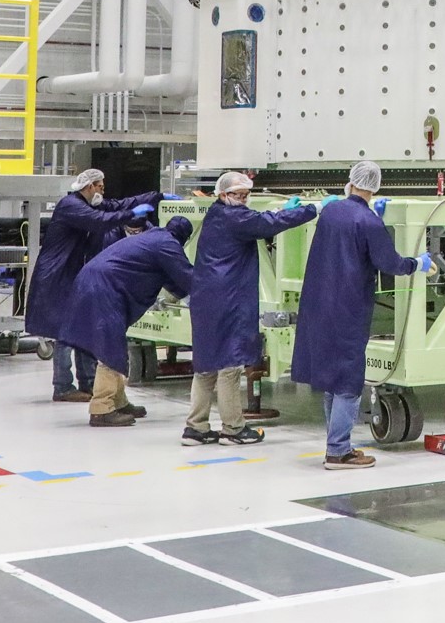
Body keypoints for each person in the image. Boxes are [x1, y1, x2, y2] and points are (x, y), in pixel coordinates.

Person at [290, 161, 430, 470]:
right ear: (376, 187)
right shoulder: (368, 222)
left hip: (318, 304)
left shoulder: (331, 212)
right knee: (349, 382)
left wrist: (371, 218)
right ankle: (339, 452)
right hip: (347, 308)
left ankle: (335, 444)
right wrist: (416, 264)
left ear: (350, 182)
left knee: (331, 378)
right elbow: (389, 263)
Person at [184, 172, 318, 447]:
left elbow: (261, 220)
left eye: (246, 196)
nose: (243, 200)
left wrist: (283, 210)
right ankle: (233, 429)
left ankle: (195, 428)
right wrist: (312, 209)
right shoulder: (235, 219)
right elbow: (269, 223)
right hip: (227, 300)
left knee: (206, 365)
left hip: (207, 298)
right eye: (238, 195)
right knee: (229, 365)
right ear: (222, 195)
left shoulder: (217, 214)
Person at [26, 169, 166, 402]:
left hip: (72, 272)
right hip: (57, 274)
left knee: (81, 325)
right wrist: (131, 213)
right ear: (89, 186)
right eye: (100, 186)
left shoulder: (89, 204)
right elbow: (100, 221)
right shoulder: (71, 205)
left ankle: (88, 382)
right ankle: (62, 386)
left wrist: (156, 196)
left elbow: (118, 204)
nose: (102, 190)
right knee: (64, 331)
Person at [62, 213, 196, 427]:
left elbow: (170, 278)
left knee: (115, 344)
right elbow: (186, 275)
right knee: (110, 347)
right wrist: (210, 297)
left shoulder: (154, 238)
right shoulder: (167, 244)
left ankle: (118, 401)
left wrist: (189, 297)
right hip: (104, 288)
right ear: (185, 238)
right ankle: (102, 408)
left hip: (96, 283)